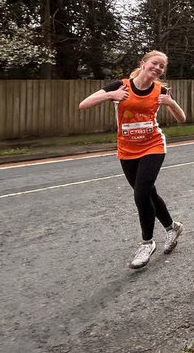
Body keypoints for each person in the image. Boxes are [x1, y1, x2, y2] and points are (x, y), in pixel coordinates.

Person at [78, 50, 187, 270]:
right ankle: (172, 227)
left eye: (162, 67)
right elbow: (84, 104)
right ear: (144, 63)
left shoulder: (160, 90)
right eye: (154, 64)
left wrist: (171, 103)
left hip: (153, 145)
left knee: (141, 193)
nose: (157, 68)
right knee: (148, 193)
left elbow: (182, 118)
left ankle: (147, 243)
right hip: (127, 149)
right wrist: (110, 96)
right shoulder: (120, 86)